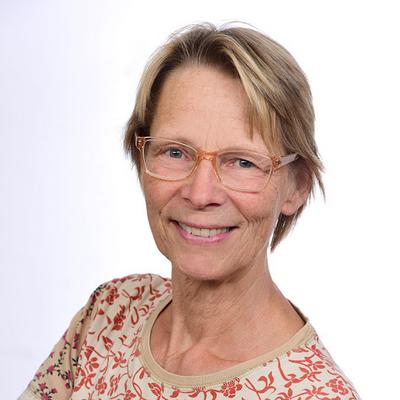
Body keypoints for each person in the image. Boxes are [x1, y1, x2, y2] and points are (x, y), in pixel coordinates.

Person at [19, 23, 360, 400]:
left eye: (242, 162)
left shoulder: (313, 393)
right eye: (175, 152)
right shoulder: (110, 314)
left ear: (297, 186)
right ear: (141, 158)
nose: (200, 194)